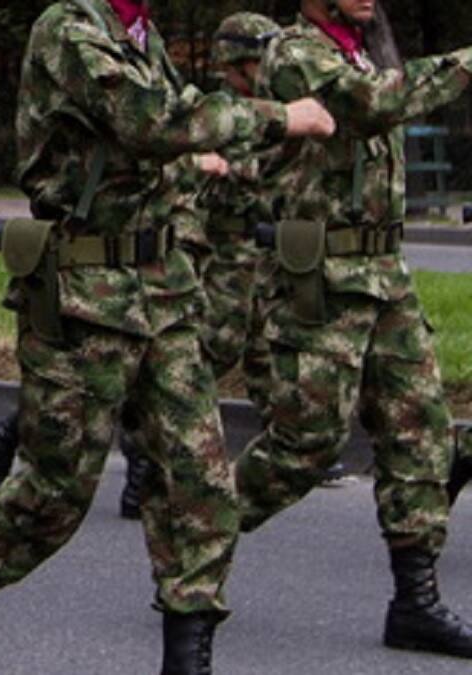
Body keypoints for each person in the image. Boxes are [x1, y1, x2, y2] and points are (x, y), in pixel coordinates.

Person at [0, 1, 337, 674]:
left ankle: (187, 660)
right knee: (56, 492)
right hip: (84, 295)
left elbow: (160, 160)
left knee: (200, 484)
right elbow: (149, 119)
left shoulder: (141, 36)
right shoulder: (69, 29)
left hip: (164, 293)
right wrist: (280, 115)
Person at [235, 0, 472, 659]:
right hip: (323, 279)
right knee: (305, 444)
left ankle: (415, 602)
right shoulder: (295, 54)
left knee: (420, 433)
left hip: (383, 273)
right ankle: (192, 534)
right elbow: (372, 104)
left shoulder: (355, 51)